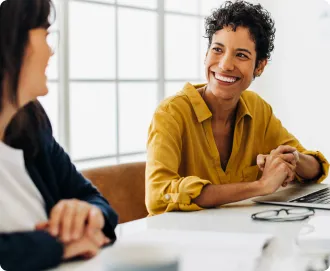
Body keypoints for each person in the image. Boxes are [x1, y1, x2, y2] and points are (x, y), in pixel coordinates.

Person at [145, 1, 329, 215]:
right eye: (217, 50)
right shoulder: (171, 113)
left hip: (244, 235)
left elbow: (316, 168)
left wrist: (291, 159)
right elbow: (158, 194)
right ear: (206, 55)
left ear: (259, 66)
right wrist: (261, 186)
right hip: (182, 240)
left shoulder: (257, 109)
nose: (225, 64)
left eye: (241, 55)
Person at [0, 0, 118, 270]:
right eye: (47, 36)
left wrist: (89, 215)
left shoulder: (33, 125)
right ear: (13, 40)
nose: (51, 52)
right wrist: (57, 246)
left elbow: (94, 199)